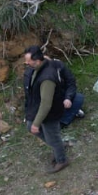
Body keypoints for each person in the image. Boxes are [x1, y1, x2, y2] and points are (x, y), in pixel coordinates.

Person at [22, 45, 77, 173]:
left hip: (50, 112)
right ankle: (58, 147)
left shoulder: (47, 78)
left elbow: (46, 104)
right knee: (30, 126)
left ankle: (62, 160)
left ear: (37, 60)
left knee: (52, 135)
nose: (26, 63)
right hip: (38, 108)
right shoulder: (40, 66)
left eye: (28, 60)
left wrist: (37, 123)